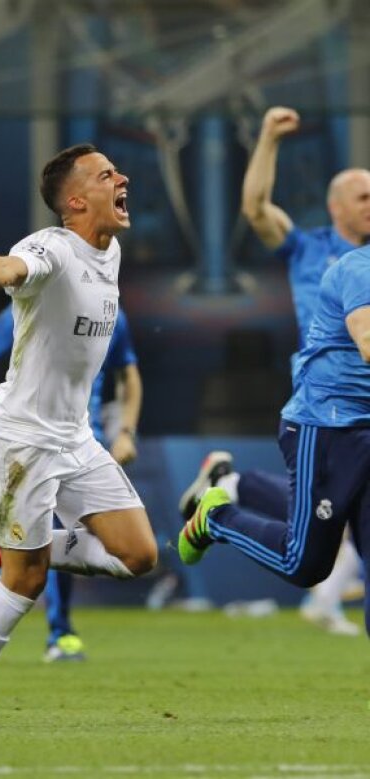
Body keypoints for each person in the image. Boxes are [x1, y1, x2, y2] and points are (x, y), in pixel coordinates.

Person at [0, 143, 158, 731]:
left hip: (75, 438)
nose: (121, 178)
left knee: (139, 555)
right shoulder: (52, 247)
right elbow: (9, 267)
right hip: (19, 442)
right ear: (75, 202)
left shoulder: (110, 251)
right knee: (26, 580)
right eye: (106, 175)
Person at [179, 105, 370, 635]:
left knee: (336, 522)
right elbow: (256, 208)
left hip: (361, 406)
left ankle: (234, 483)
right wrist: (267, 138)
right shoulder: (312, 249)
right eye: (362, 197)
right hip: (323, 401)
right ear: (335, 207)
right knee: (310, 549)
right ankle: (222, 509)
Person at [0, 300, 141, 661]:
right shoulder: (33, 303)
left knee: (99, 544)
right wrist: (1, 415)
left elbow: (129, 375)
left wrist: (126, 432)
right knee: (48, 541)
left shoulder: (111, 313)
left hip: (88, 445)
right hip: (37, 444)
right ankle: (59, 632)